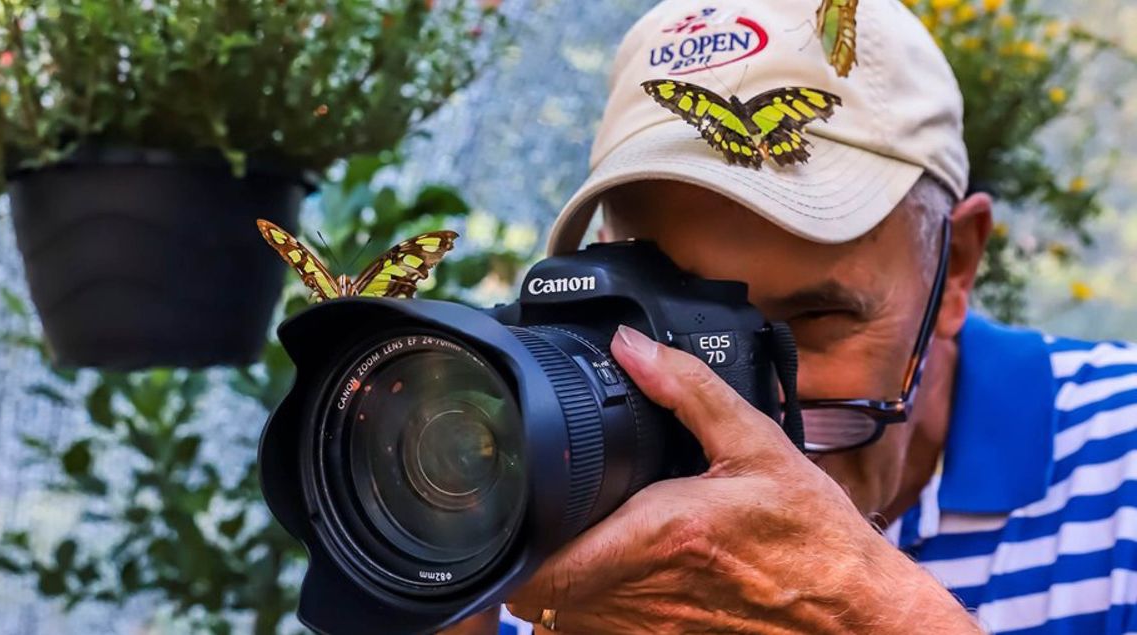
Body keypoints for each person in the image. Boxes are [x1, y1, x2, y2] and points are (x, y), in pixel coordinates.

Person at [452, 0, 1137, 633]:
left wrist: (871, 609)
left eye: (815, 317)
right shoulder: (547, 509)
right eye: (687, 320)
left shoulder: (1120, 460)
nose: (750, 407)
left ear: (954, 265)